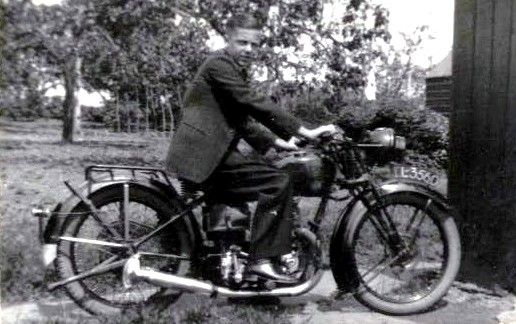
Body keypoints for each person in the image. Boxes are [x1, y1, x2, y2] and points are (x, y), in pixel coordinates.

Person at [165, 13, 336, 283]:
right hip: (206, 156)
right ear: (227, 39)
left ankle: (242, 256)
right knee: (278, 182)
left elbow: (242, 122)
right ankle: (262, 259)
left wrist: (282, 143)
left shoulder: (230, 68)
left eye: (255, 45)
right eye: (243, 43)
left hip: (206, 153)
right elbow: (253, 102)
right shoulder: (219, 64)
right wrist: (304, 131)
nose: (249, 50)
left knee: (270, 174)